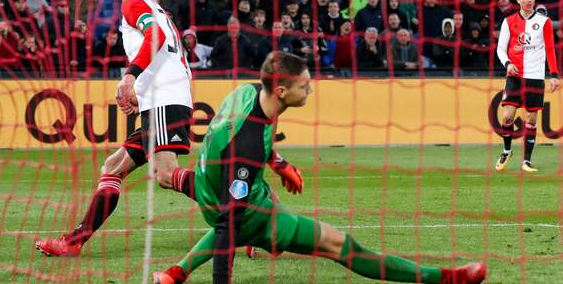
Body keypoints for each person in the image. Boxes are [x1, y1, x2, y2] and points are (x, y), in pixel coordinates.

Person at [152, 52, 487, 284]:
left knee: (228, 197)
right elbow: (227, 228)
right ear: (282, 90)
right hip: (242, 208)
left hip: (215, 183)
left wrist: (278, 163)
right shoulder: (248, 148)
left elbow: (255, 136)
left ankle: (178, 268)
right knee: (344, 247)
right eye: (305, 85)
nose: (311, 89)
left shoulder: (248, 92)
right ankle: (446, 277)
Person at [35, 0, 197, 256]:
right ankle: (74, 242)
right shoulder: (160, 11)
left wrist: (130, 77)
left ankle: (242, 210)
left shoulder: (133, 4)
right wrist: (144, 96)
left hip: (165, 100)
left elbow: (156, 39)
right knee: (113, 166)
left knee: (165, 174)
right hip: (163, 99)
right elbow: (172, 56)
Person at [495, 0, 560, 173]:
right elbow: (500, 48)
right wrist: (507, 63)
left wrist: (554, 75)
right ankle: (507, 151)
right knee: (507, 116)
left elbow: (550, 49)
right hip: (515, 76)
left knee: (531, 119)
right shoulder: (508, 21)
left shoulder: (544, 22)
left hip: (535, 76)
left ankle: (526, 161)